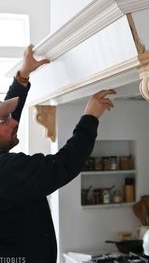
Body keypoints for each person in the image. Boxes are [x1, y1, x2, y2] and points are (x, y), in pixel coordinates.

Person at [0, 45, 116, 263]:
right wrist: (90, 118)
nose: (14, 121)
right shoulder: (6, 171)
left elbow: (7, 117)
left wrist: (23, 76)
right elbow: (63, 164)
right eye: (5, 120)